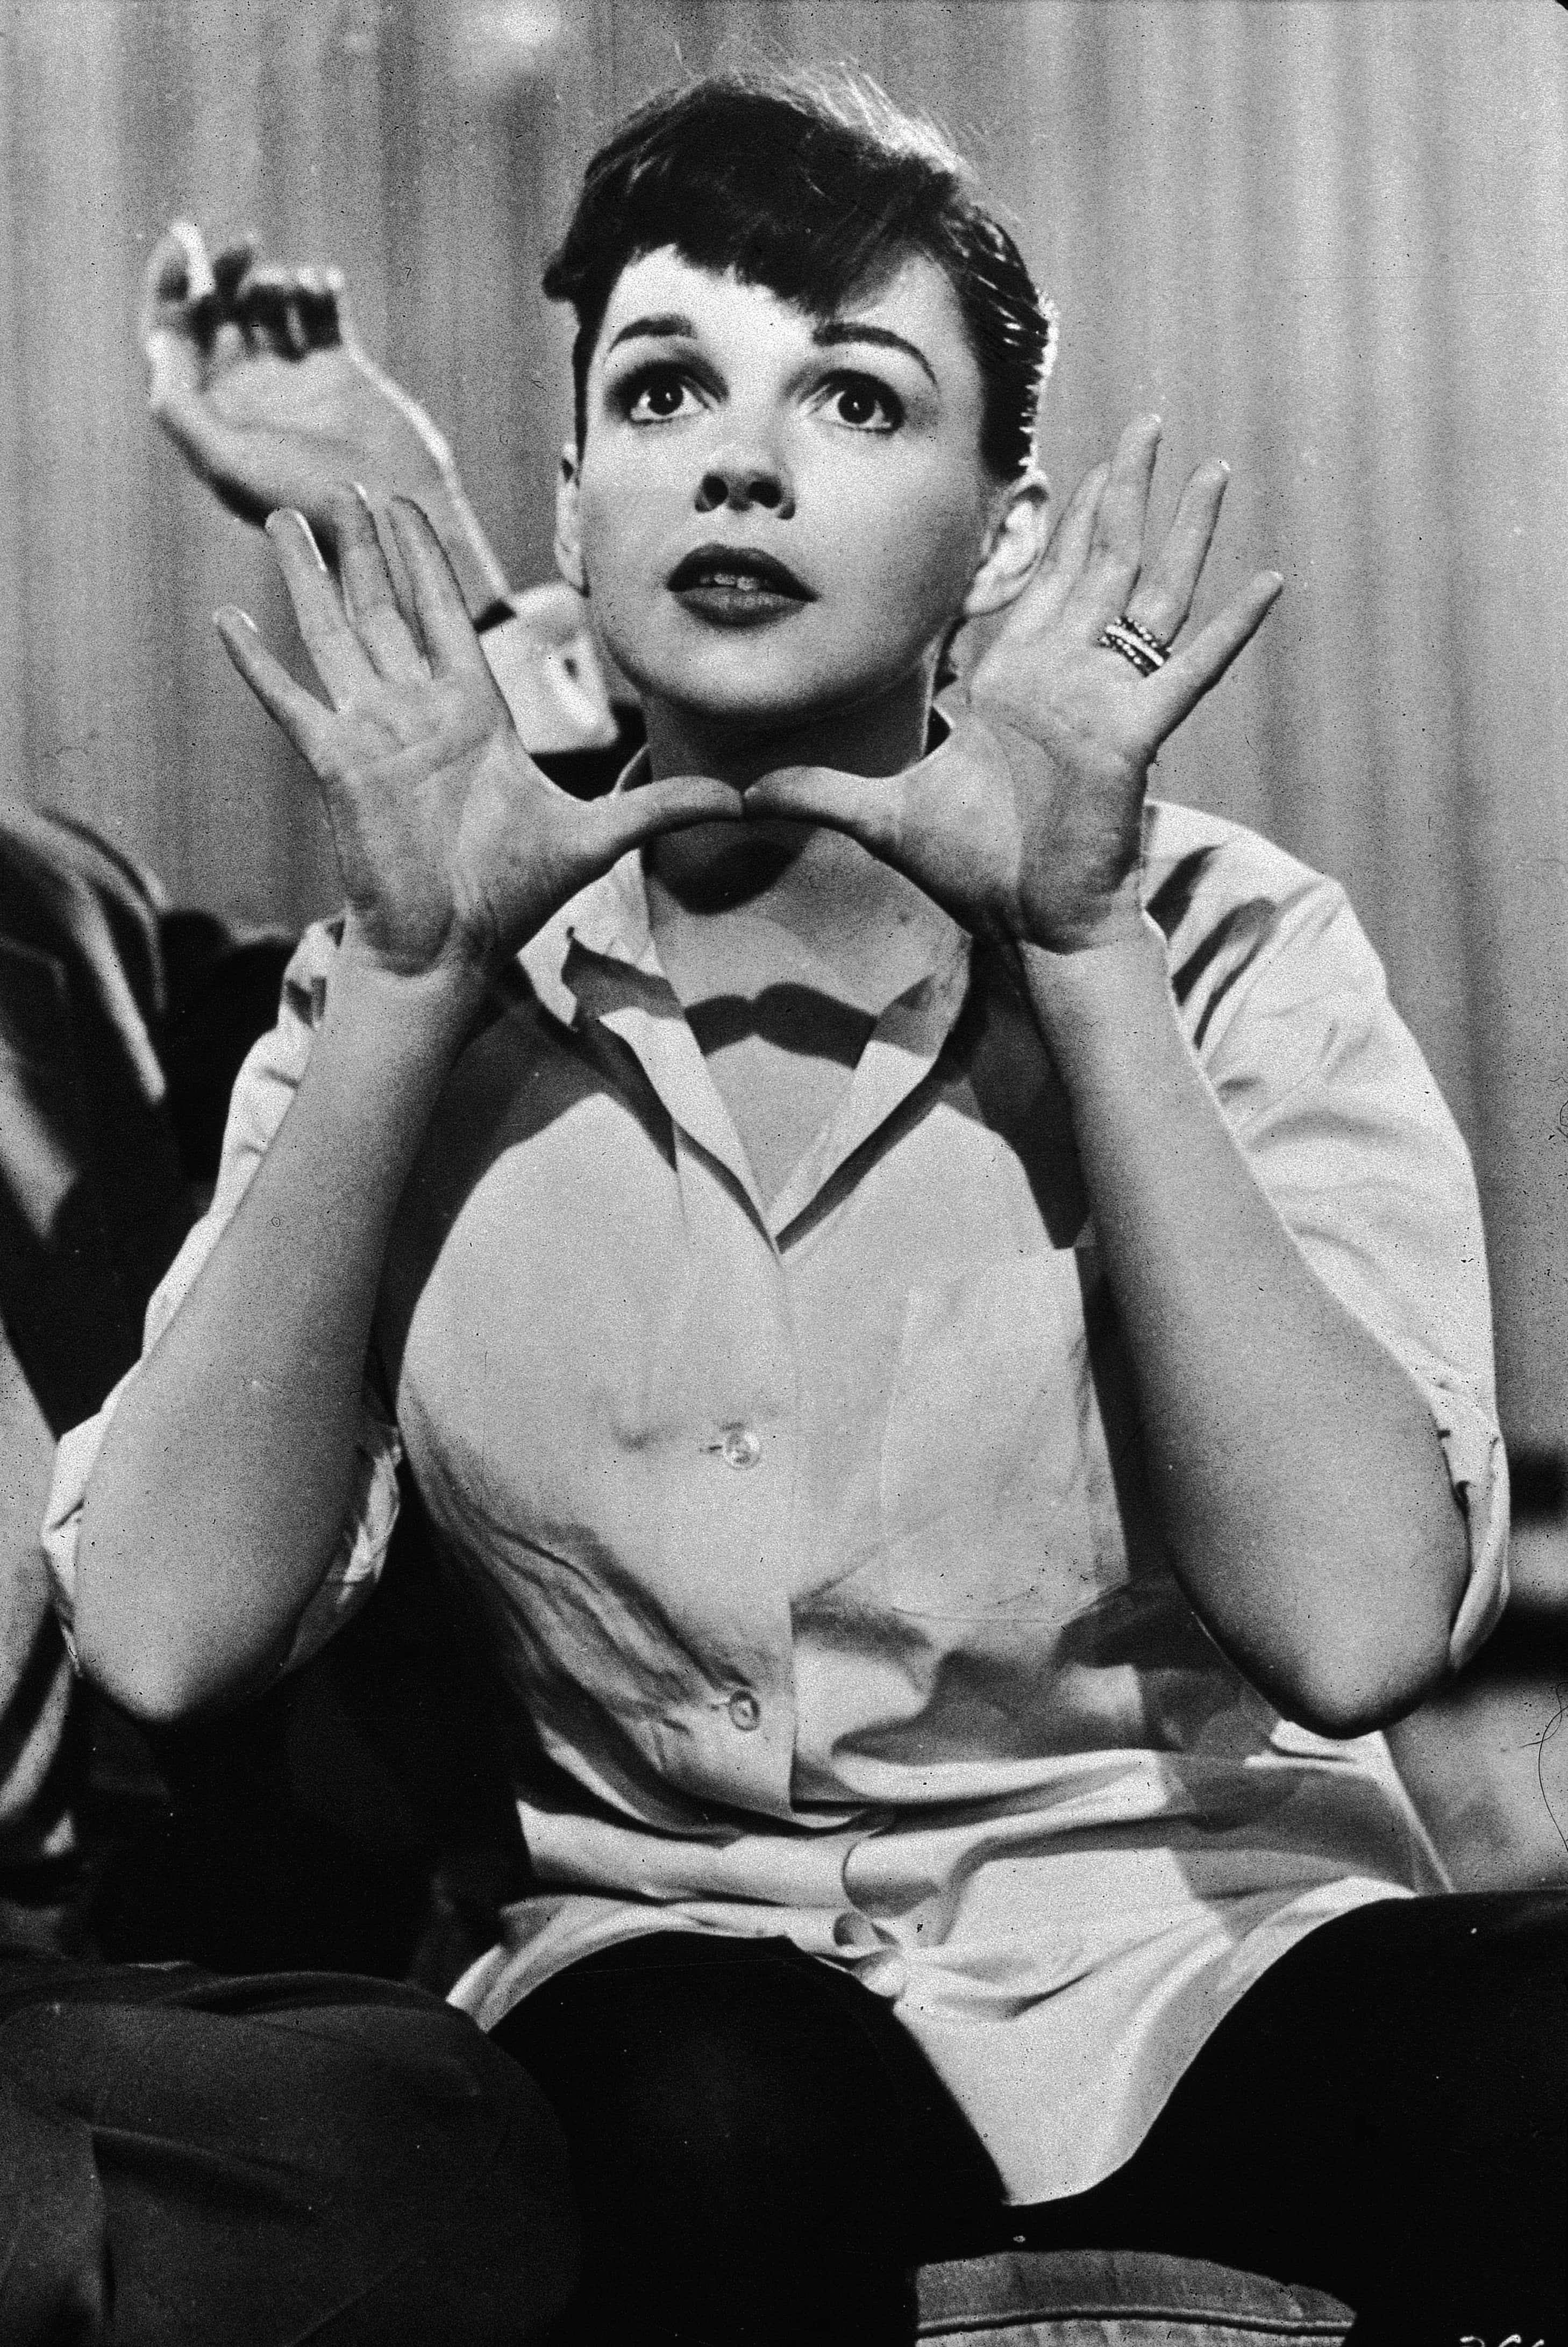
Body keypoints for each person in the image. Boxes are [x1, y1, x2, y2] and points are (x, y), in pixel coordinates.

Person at [51, 68, 1565, 2347]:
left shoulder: (1234, 949)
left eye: (856, 397)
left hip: (1203, 1956)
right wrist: (405, 990)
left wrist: (1081, 961)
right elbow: (162, 1634)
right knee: (703, 2112)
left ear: (1007, 537)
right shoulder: (420, 984)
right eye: (666, 389)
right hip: (686, 1980)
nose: (742, 460)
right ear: (574, 494)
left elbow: (1356, 1632)